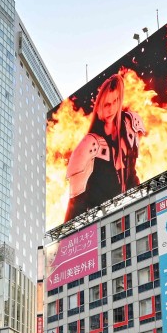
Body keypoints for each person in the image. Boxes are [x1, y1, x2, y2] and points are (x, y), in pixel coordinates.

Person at [63, 74, 144, 222]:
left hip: (131, 214)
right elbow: (75, 207)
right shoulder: (89, 146)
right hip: (100, 225)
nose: (111, 109)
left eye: (115, 101)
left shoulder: (130, 126)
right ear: (100, 105)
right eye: (107, 104)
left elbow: (132, 176)